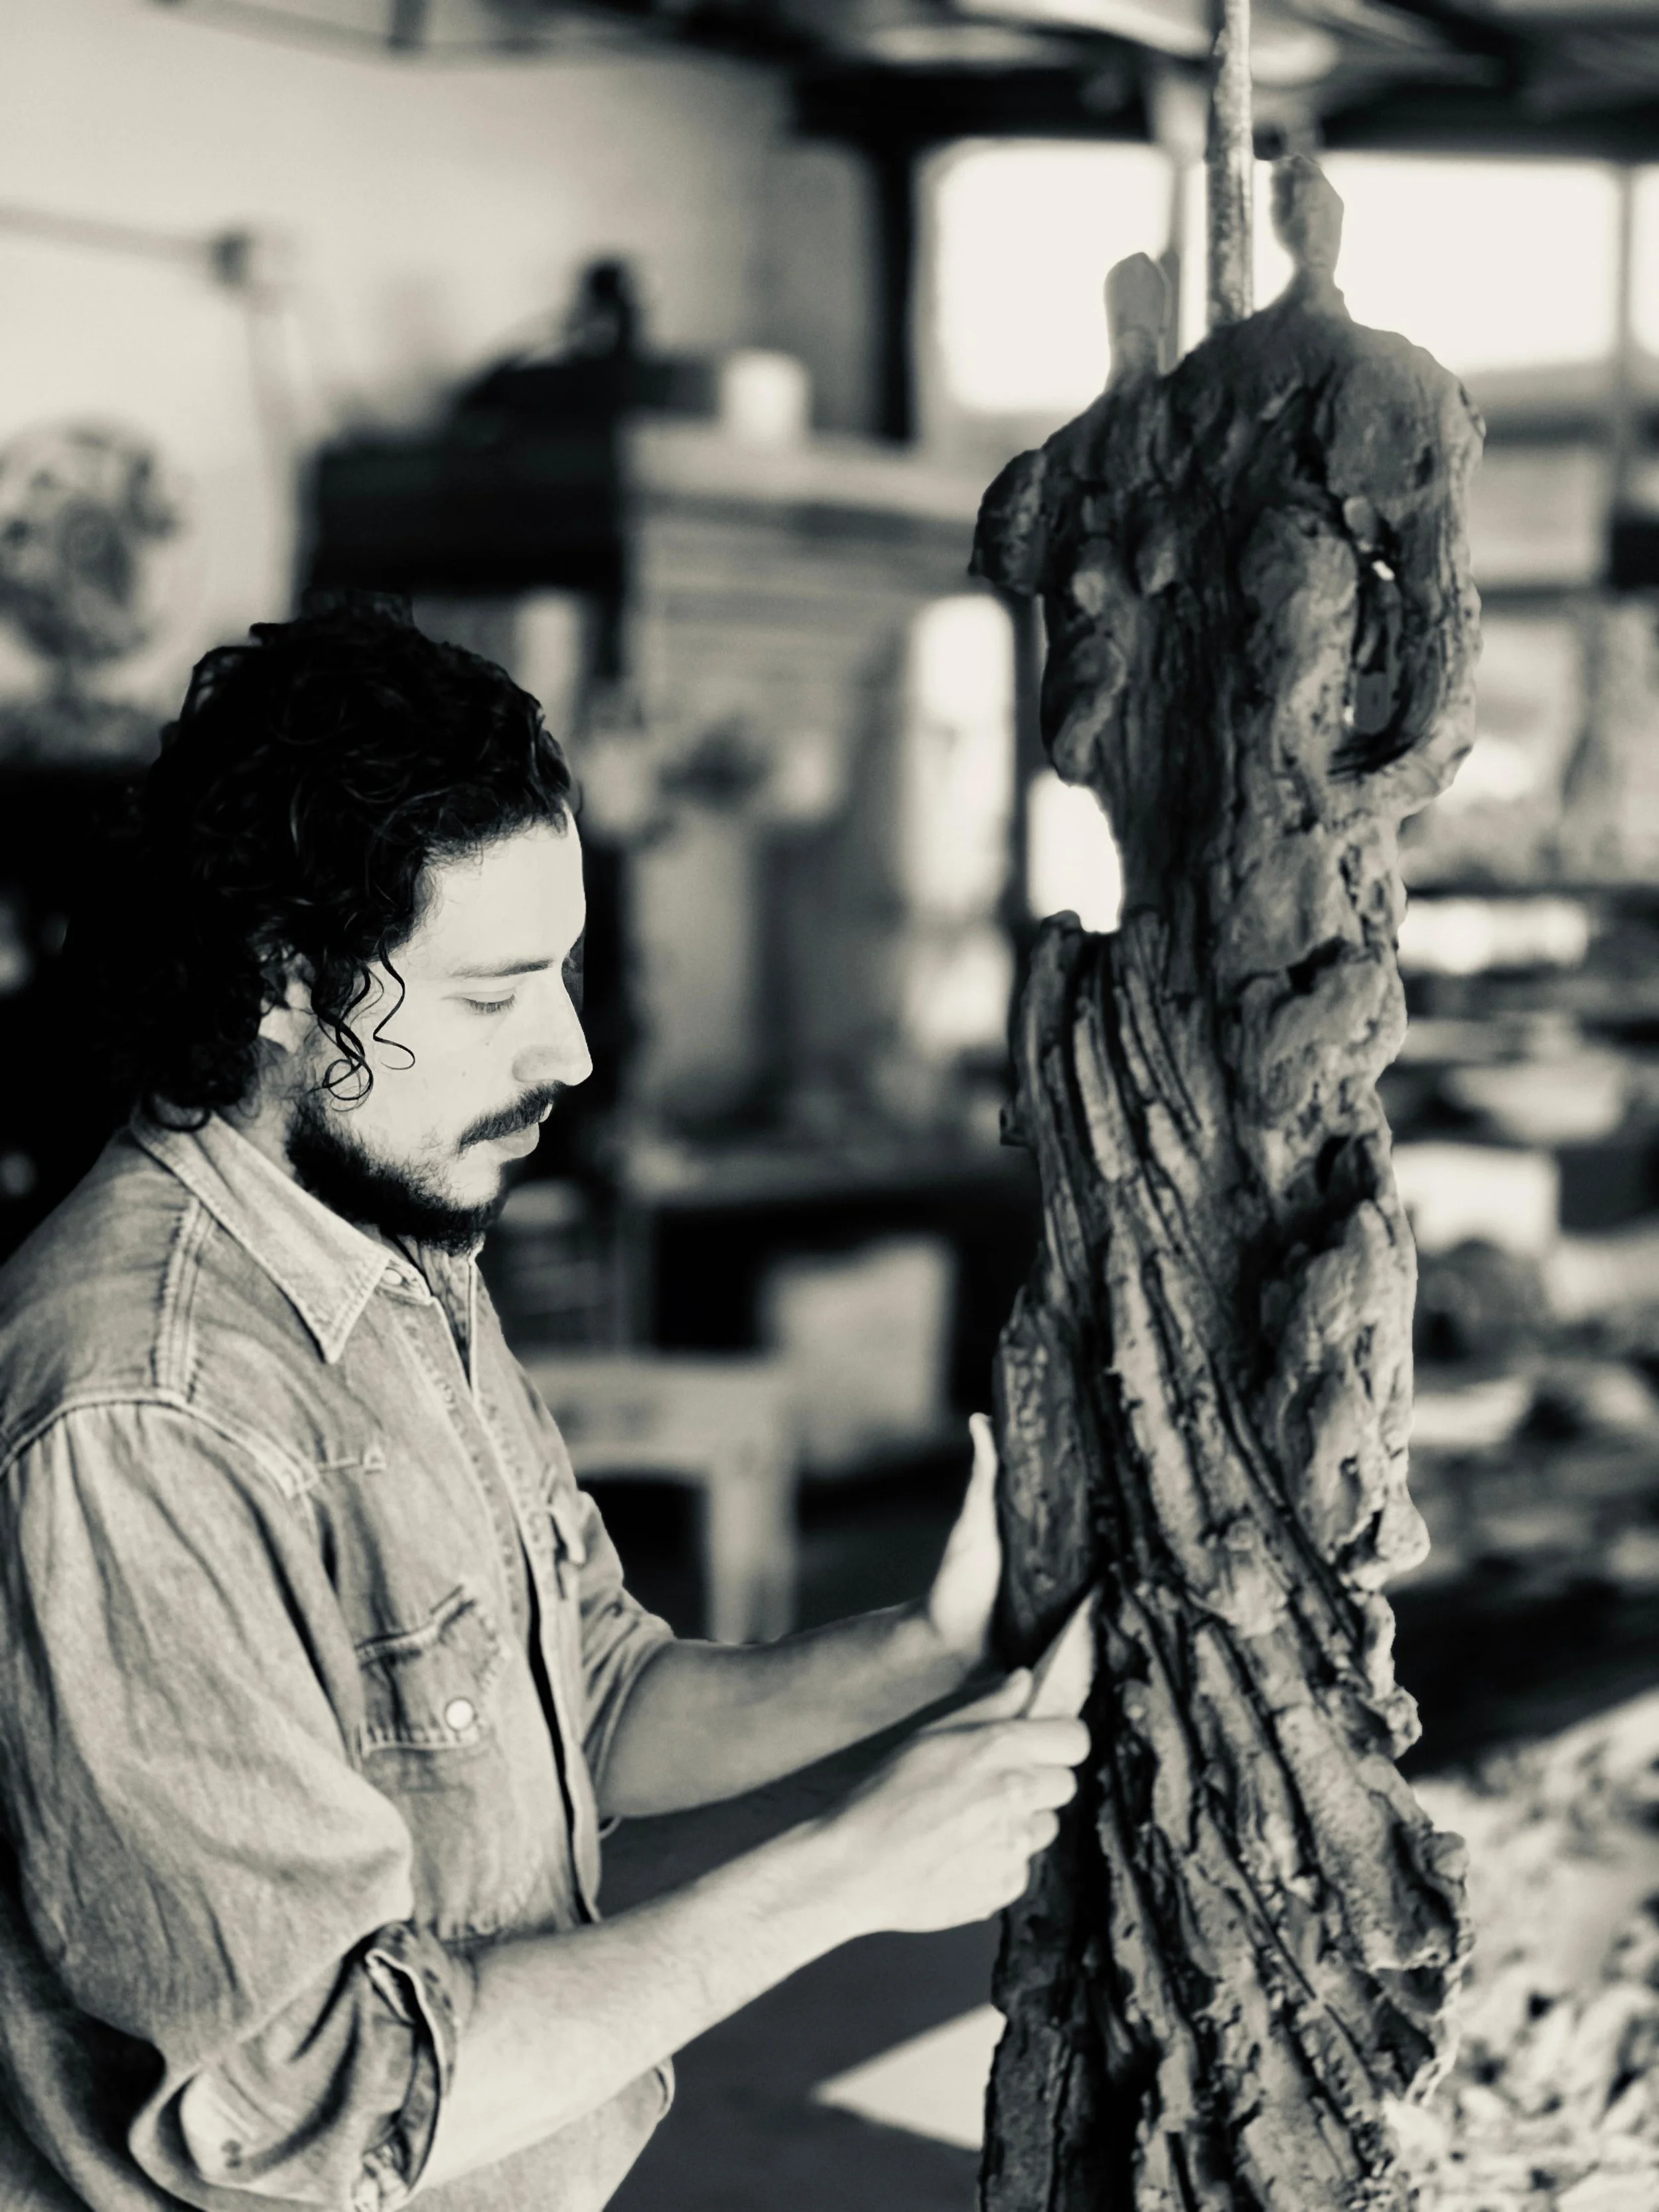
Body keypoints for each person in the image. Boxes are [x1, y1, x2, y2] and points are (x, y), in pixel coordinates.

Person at [0, 601, 1089, 2212]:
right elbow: (316, 2099)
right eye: (495, 993)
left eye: (566, 969)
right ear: (286, 986)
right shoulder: (140, 1413)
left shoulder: (388, 1247)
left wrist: (927, 1649)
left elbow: (581, 1701)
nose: (571, 1051)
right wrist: (844, 1872)